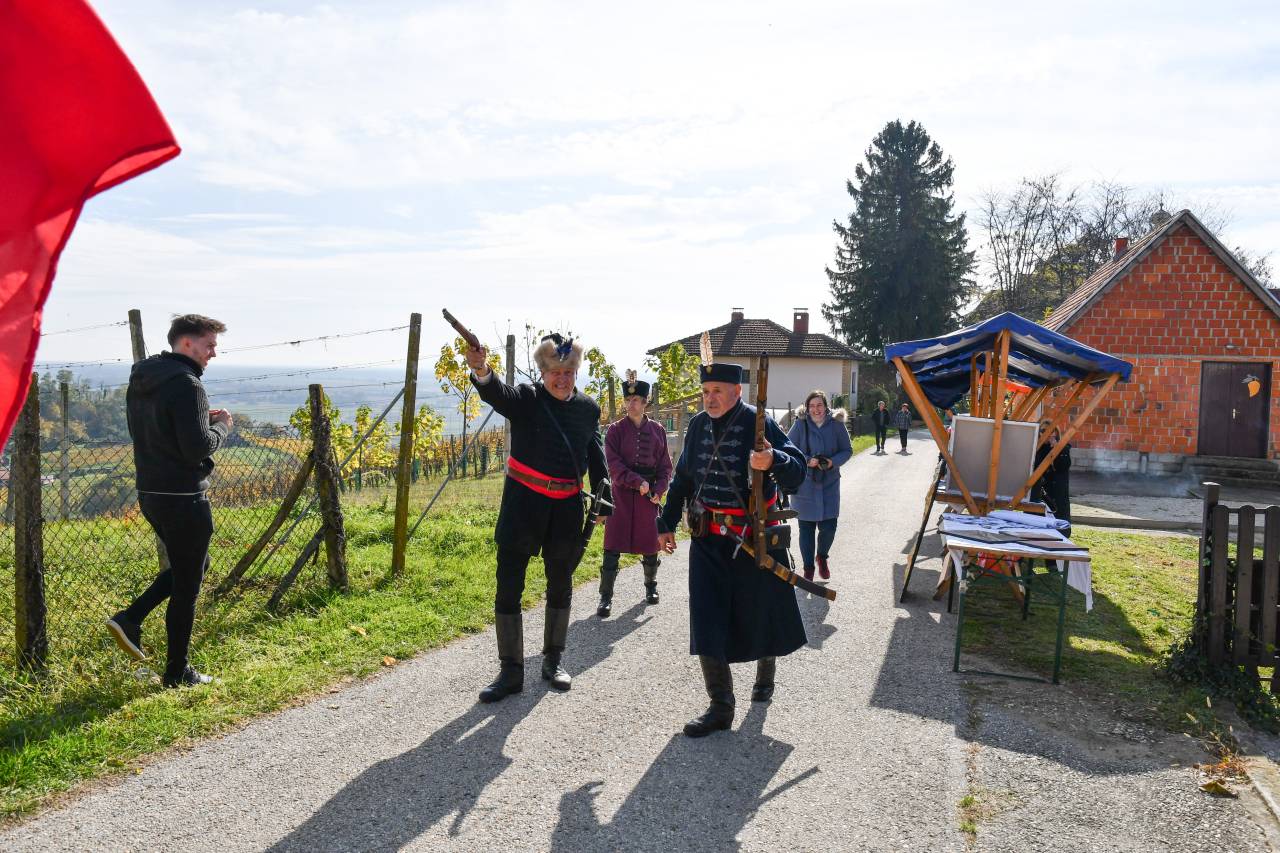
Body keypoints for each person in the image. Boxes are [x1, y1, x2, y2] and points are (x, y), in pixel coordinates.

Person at [656, 357, 807, 737]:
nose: (710, 398)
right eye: (705, 392)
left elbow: (798, 469)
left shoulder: (760, 423)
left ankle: (765, 671)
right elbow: (683, 478)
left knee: (761, 611)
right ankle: (720, 706)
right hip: (708, 538)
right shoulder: (697, 425)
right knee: (706, 618)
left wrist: (773, 459)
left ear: (737, 391)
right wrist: (665, 522)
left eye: (717, 391)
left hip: (754, 537)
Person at [467, 333, 607, 702]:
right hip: (523, 505)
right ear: (543, 372)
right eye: (555, 372)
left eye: (568, 372)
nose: (562, 378)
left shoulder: (588, 409)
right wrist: (481, 369)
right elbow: (497, 393)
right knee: (508, 584)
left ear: (575, 372)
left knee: (560, 583)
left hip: (566, 509)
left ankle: (553, 662)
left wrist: (604, 500)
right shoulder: (527, 399)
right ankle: (511, 672)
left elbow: (595, 452)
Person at [106, 314, 230, 688]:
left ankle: (131, 618)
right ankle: (177, 672)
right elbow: (196, 448)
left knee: (195, 566)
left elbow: (153, 430)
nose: (213, 353)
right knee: (188, 587)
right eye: (209, 345)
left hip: (151, 493)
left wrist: (197, 420)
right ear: (187, 343)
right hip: (185, 497)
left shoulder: (143, 378)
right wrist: (221, 427)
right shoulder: (189, 384)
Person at [598, 372, 672, 617]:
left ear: (645, 402)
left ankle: (651, 587)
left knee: (650, 544)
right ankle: (605, 597)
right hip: (620, 497)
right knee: (612, 546)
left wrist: (659, 490)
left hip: (648, 498)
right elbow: (614, 465)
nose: (631, 404)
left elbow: (665, 467)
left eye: (637, 400)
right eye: (628, 400)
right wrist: (636, 481)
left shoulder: (658, 431)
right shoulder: (615, 431)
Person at [786, 390, 853, 581]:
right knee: (806, 529)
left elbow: (847, 450)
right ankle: (808, 569)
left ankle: (822, 557)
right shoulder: (800, 424)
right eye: (812, 406)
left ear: (826, 406)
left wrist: (832, 462)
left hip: (829, 483)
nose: (816, 410)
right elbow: (788, 448)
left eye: (819, 405)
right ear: (807, 408)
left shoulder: (836, 424)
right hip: (805, 484)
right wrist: (807, 460)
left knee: (829, 527)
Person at [1033, 421, 1073, 534]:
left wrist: (1057, 450)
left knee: (1060, 528)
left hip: (1056, 493)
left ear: (1056, 432)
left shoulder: (1063, 448)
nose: (1048, 434)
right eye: (1043, 431)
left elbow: (1063, 466)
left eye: (1051, 431)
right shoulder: (1036, 448)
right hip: (1040, 493)